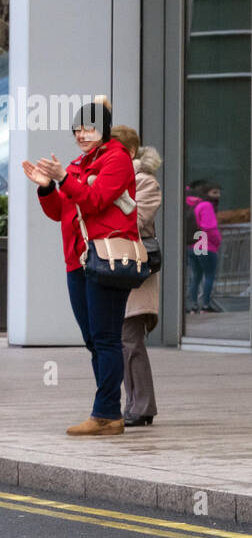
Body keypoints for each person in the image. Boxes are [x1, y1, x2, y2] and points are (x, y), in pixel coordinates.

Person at [22, 99, 139, 437]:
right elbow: (61, 211)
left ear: (103, 129)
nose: (82, 135)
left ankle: (106, 414)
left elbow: (95, 200)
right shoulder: (79, 163)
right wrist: (47, 187)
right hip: (78, 260)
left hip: (106, 258)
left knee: (105, 338)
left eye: (89, 128)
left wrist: (63, 178)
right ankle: (108, 412)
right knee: (93, 339)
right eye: (77, 130)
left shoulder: (117, 159)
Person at [111, 127, 160, 427]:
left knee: (130, 340)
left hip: (133, 269)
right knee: (118, 342)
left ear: (128, 152)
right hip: (110, 268)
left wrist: (110, 196)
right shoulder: (110, 179)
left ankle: (141, 407)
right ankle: (131, 405)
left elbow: (138, 220)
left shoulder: (145, 182)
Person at [185, 180, 222, 314]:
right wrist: (218, 241)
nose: (218, 196)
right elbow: (209, 227)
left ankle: (193, 305)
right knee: (209, 275)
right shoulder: (206, 205)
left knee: (196, 276)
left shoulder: (191, 205)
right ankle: (206, 305)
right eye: (214, 192)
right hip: (206, 245)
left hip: (191, 245)